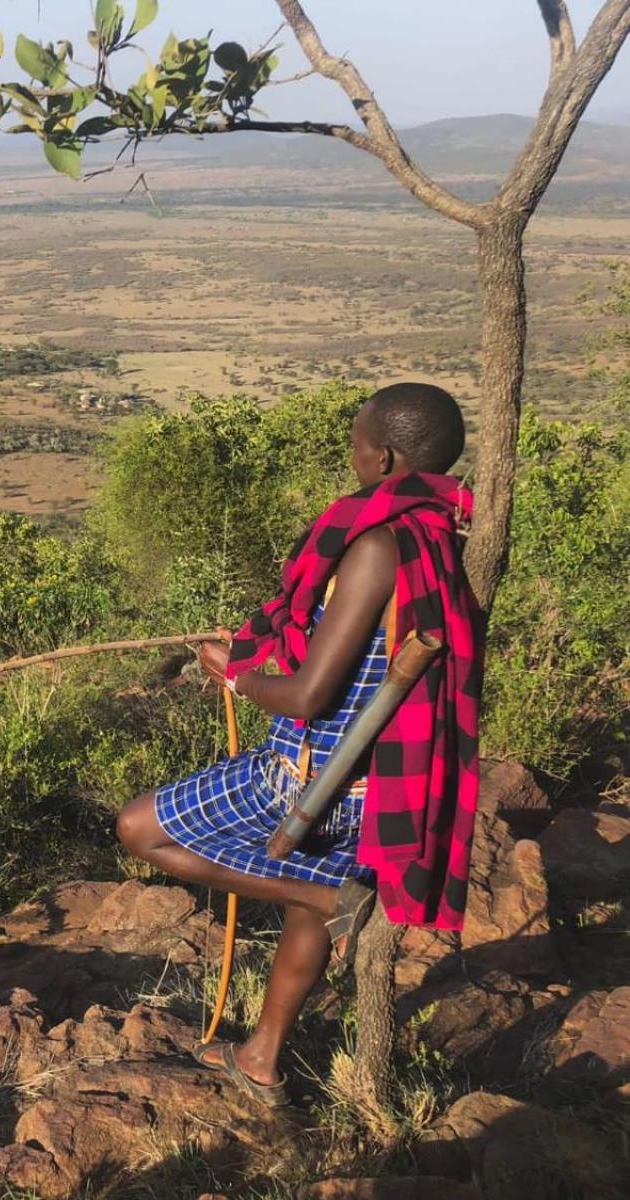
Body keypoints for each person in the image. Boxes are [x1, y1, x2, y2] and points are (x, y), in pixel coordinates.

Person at [116, 381, 484, 1108]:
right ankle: (260, 1056)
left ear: (381, 457)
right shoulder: (439, 534)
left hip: (310, 777)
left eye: (354, 444)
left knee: (138, 828)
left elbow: (311, 696)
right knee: (304, 919)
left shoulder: (377, 544)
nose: (351, 455)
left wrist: (240, 676)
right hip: (380, 785)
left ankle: (325, 894)